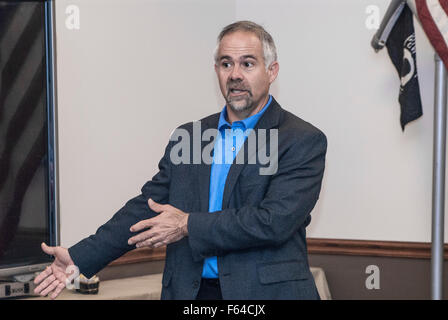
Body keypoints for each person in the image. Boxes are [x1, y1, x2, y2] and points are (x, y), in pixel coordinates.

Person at [34, 20, 327, 300]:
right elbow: (147, 208)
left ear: (272, 71)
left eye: (247, 64)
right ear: (216, 70)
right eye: (226, 64)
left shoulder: (301, 139)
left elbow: (273, 221)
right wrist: (79, 256)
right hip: (191, 291)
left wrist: (187, 224)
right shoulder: (191, 136)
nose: (235, 74)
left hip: (263, 294)